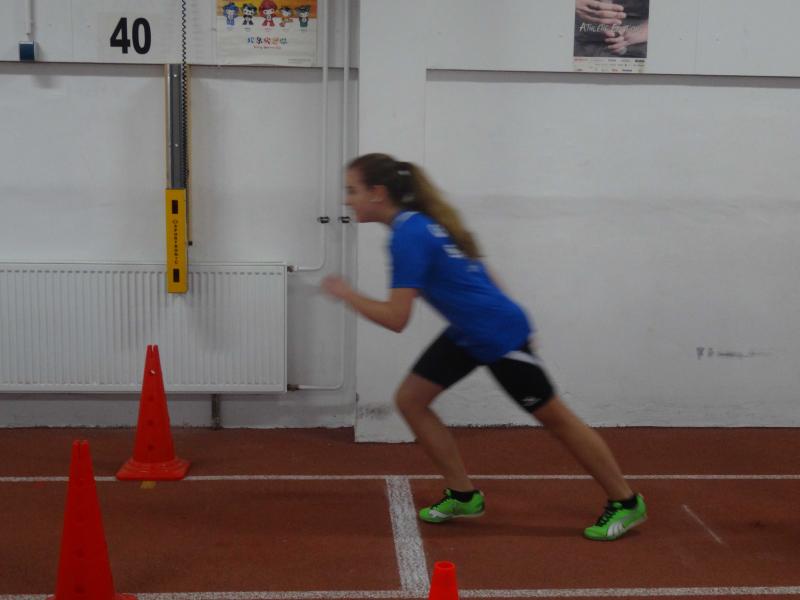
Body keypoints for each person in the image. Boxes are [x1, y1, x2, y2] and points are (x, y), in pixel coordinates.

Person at [321, 153, 647, 541]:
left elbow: (396, 318)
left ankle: (626, 502)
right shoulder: (419, 223)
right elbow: (480, 267)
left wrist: (347, 295)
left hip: (495, 335)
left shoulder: (408, 235)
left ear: (378, 193)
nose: (347, 199)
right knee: (411, 400)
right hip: (470, 330)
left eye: (352, 190)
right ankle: (463, 495)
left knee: (556, 419)